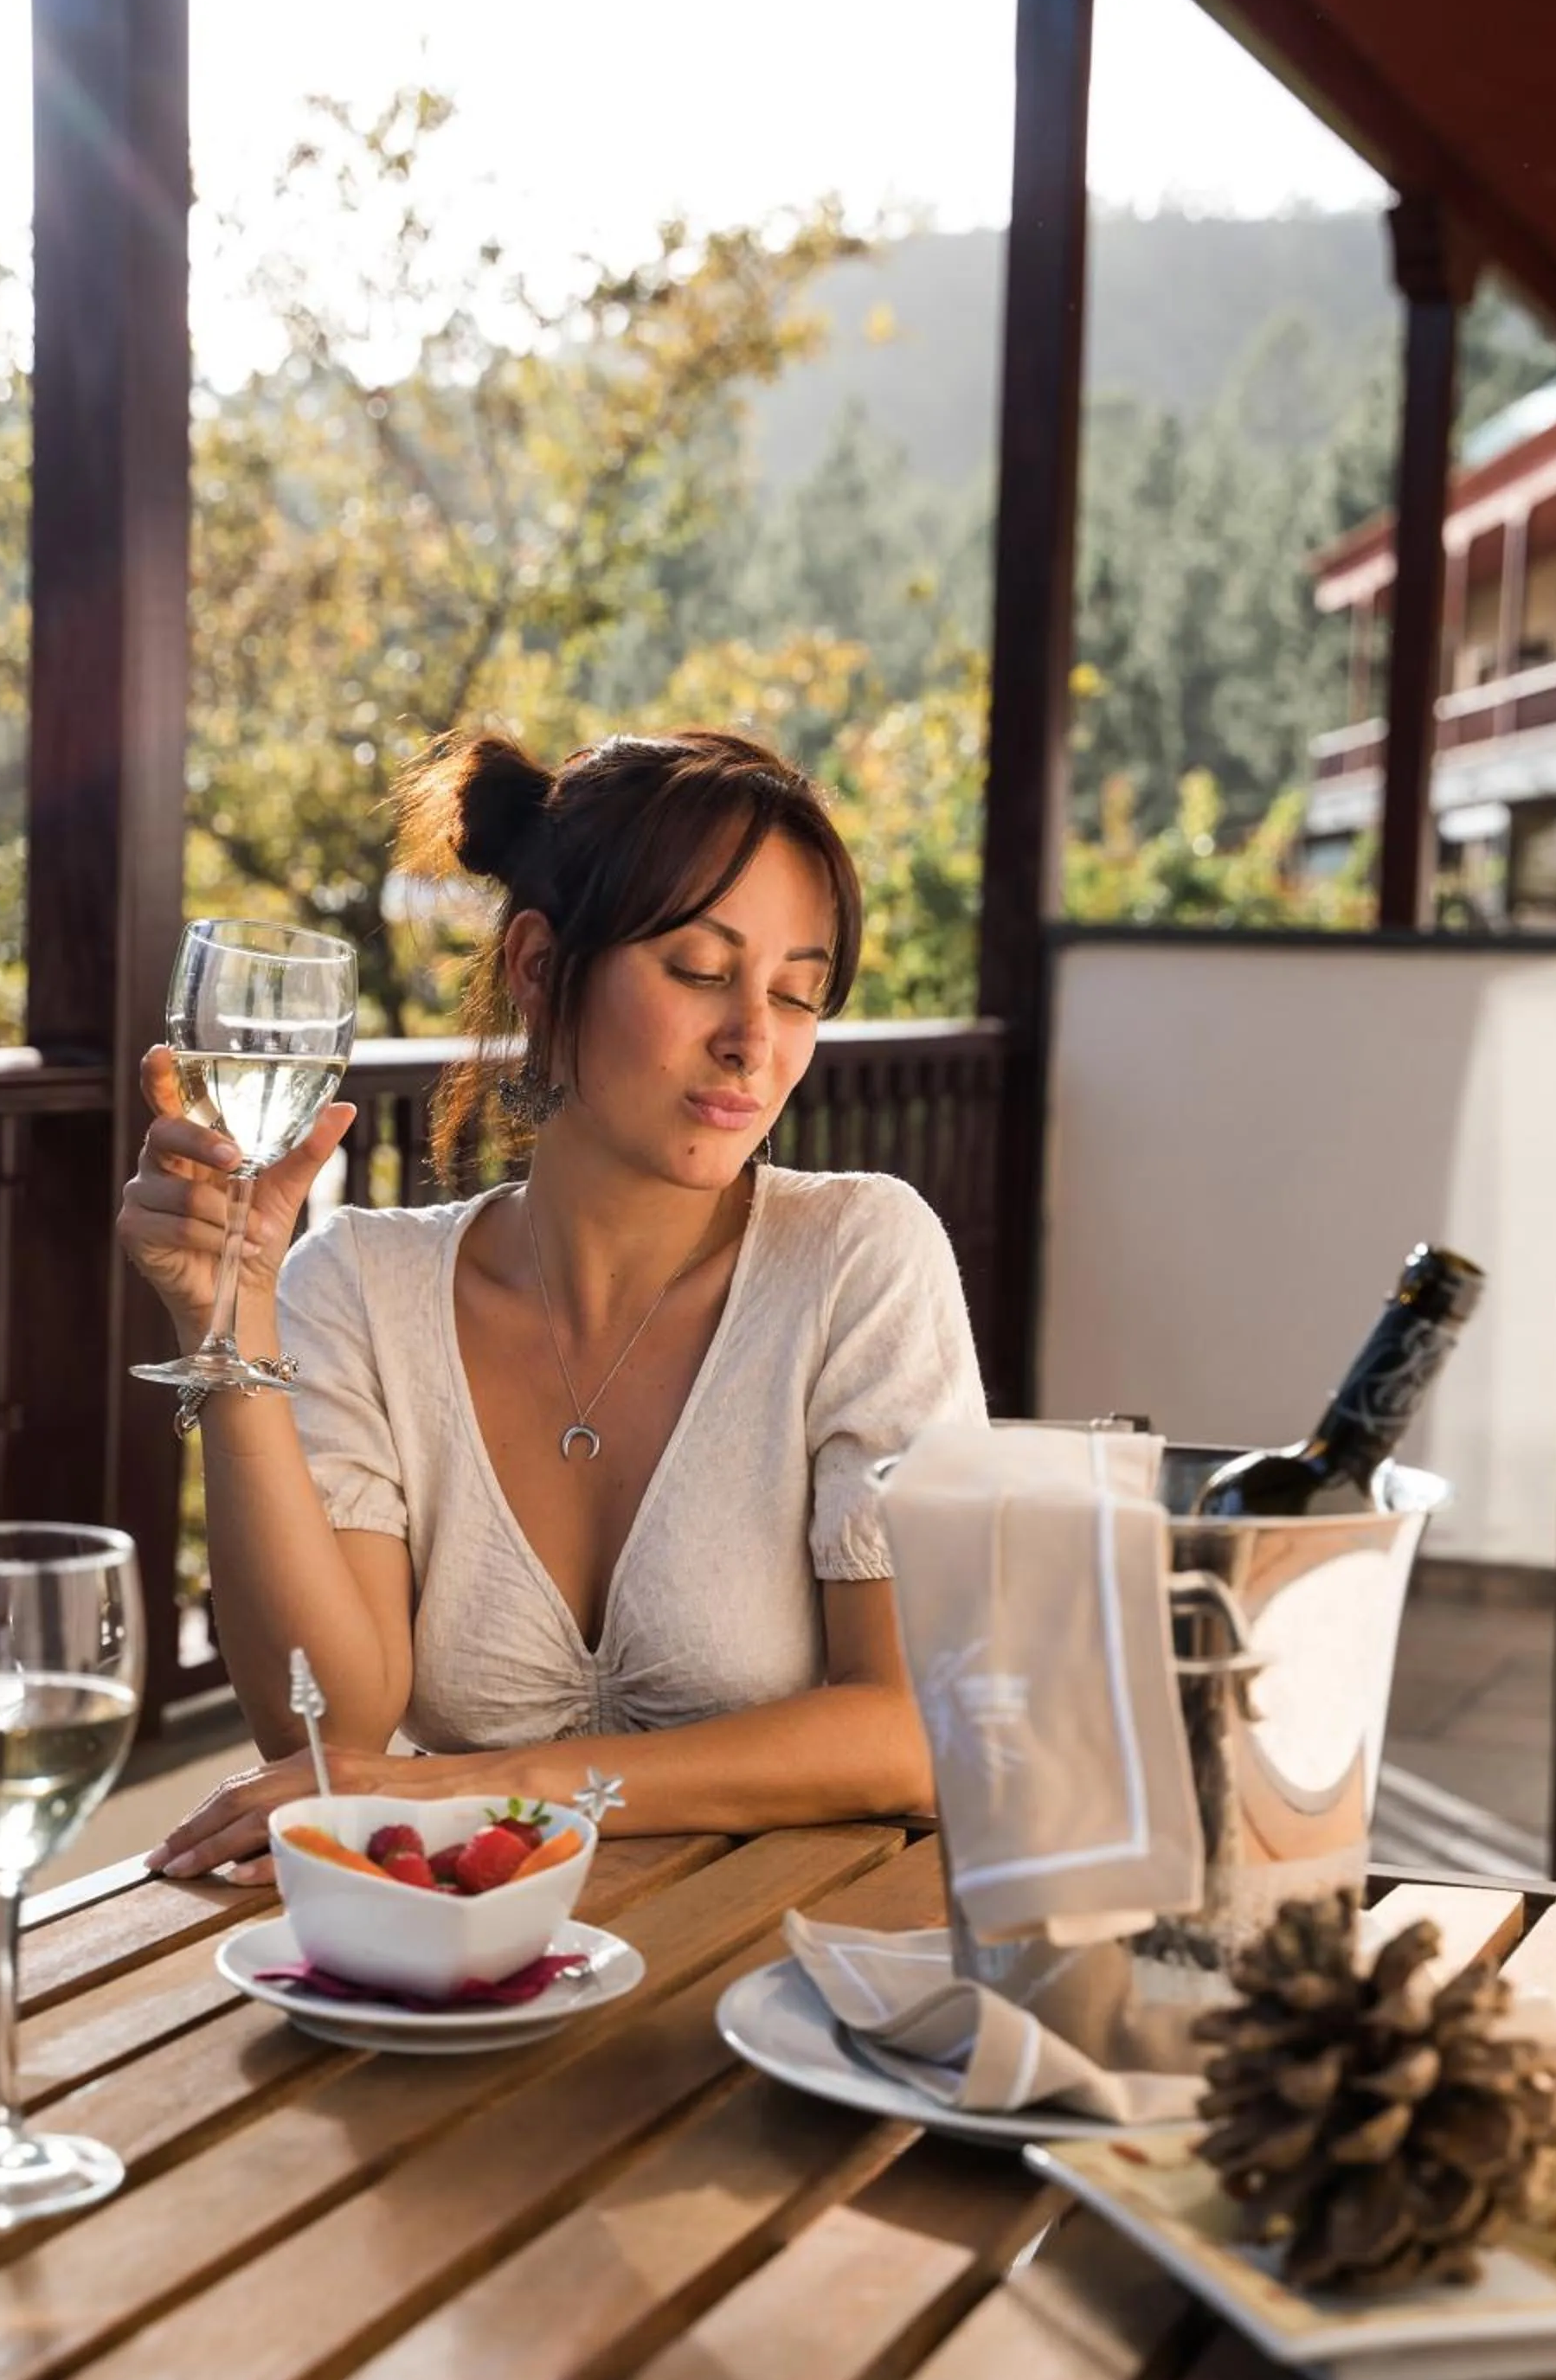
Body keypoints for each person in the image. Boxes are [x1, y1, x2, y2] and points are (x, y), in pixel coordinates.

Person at [121, 728, 987, 1881]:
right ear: (537, 969)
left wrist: (483, 1786)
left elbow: (910, 1731)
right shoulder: (360, 1287)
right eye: (698, 971)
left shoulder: (857, 1261)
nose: (754, 1043)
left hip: (781, 1985)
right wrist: (228, 1331)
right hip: (466, 1968)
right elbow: (328, 1737)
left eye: (798, 994)